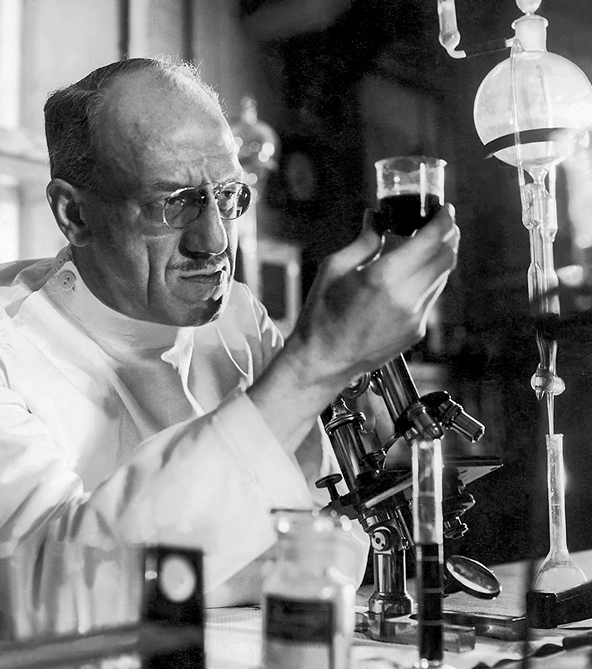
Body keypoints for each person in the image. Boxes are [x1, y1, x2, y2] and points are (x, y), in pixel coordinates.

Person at [0, 57, 459, 625]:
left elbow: (335, 544)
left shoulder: (237, 318)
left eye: (229, 197)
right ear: (74, 215)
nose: (214, 239)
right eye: (174, 204)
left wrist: (152, 581)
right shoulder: (11, 345)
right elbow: (48, 598)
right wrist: (314, 364)